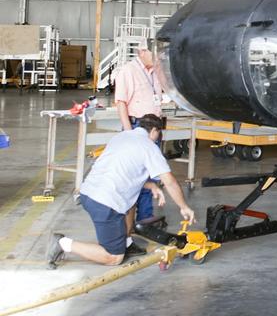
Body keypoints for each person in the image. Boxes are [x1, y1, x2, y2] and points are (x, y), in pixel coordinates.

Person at [46, 114, 193, 269]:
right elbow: (169, 181)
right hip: (105, 203)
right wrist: (184, 207)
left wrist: (151, 186)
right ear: (155, 130)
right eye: (159, 134)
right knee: (113, 257)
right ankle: (62, 243)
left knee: (131, 202)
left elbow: (123, 172)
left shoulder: (121, 137)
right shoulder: (149, 147)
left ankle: (127, 243)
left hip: (88, 192)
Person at [113, 44, 165, 223]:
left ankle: (145, 217)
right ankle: (129, 221)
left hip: (154, 129)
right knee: (135, 175)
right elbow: (121, 103)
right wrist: (129, 134)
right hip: (137, 127)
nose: (157, 56)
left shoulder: (156, 71)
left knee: (151, 174)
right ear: (141, 52)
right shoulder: (128, 71)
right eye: (153, 52)